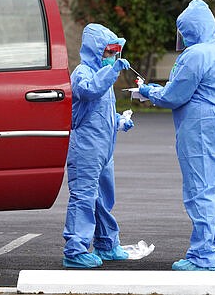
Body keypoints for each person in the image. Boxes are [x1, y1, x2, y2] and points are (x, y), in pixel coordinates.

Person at [139, 0, 215, 271]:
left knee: (201, 189)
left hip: (202, 122)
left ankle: (202, 256)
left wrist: (150, 92)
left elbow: (175, 95)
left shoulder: (196, 55)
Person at [62, 23, 134, 268]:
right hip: (85, 148)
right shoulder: (83, 73)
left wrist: (119, 121)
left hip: (104, 148)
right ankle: (75, 250)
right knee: (84, 196)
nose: (112, 57)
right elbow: (89, 91)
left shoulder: (105, 76)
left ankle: (106, 243)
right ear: (95, 50)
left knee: (103, 197)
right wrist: (111, 71)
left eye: (115, 52)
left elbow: (101, 114)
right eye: (108, 52)